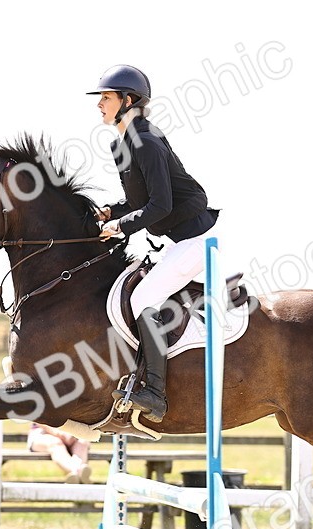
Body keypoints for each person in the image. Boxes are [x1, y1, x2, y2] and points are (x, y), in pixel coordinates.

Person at [90, 64, 220, 424]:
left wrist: (117, 227)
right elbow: (137, 201)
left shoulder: (145, 141)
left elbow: (160, 205)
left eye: (105, 97)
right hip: (178, 239)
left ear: (127, 100)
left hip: (196, 240)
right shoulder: (124, 143)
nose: (99, 104)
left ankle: (155, 393)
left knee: (143, 297)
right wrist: (109, 213)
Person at [27, 423, 93, 483]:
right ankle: (79, 472)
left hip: (70, 432)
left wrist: (73, 434)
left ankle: (75, 476)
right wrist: (59, 434)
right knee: (55, 443)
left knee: (82, 443)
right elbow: (40, 420)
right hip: (42, 433)